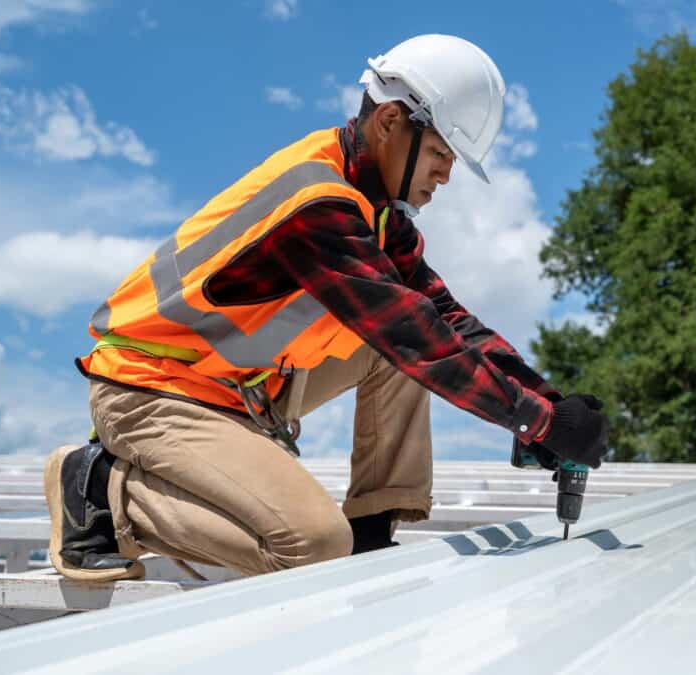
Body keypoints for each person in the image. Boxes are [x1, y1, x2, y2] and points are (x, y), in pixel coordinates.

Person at [44, 34, 610, 582]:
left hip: (238, 389)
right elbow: (416, 340)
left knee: (408, 334)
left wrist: (550, 407)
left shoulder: (378, 211)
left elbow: (445, 318)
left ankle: (371, 527)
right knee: (313, 548)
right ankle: (100, 488)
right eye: (440, 152)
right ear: (390, 122)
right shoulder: (318, 206)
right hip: (153, 387)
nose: (446, 172)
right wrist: (533, 421)